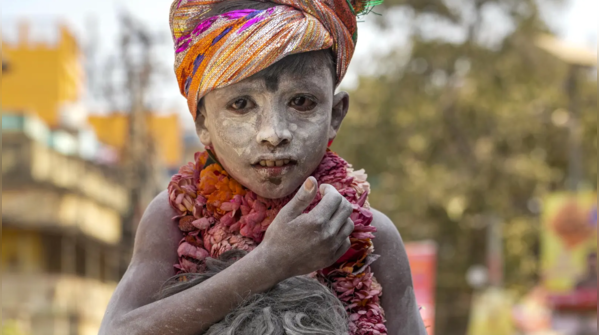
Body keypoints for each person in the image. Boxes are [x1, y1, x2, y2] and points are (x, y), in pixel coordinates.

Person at [100, 0, 427, 334]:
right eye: (241, 104)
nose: (274, 133)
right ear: (202, 122)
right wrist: (272, 262)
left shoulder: (368, 234)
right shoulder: (174, 217)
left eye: (302, 102)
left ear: (335, 115)